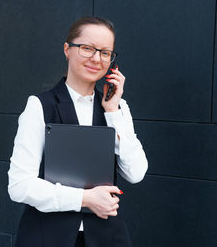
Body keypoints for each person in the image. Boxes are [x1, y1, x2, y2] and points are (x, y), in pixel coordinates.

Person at [8, 16, 148, 247]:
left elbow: (136, 173)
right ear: (67, 49)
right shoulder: (40, 106)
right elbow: (19, 185)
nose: (96, 58)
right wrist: (85, 199)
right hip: (48, 237)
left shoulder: (117, 108)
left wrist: (113, 112)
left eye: (105, 52)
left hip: (106, 237)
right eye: (87, 48)